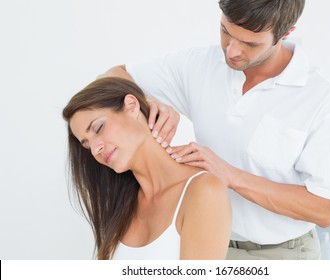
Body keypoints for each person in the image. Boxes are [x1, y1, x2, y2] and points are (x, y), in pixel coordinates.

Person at [100, 0, 330, 259]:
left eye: (250, 44)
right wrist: (149, 100)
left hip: (280, 253)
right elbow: (111, 76)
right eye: (225, 32)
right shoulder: (201, 65)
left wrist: (231, 176)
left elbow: (326, 209)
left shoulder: (321, 97)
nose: (231, 51)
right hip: (203, 242)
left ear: (286, 33)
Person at [62, 77, 231, 260]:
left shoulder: (203, 190)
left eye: (99, 127)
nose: (95, 149)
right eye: (87, 145)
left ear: (132, 106)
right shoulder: (121, 203)